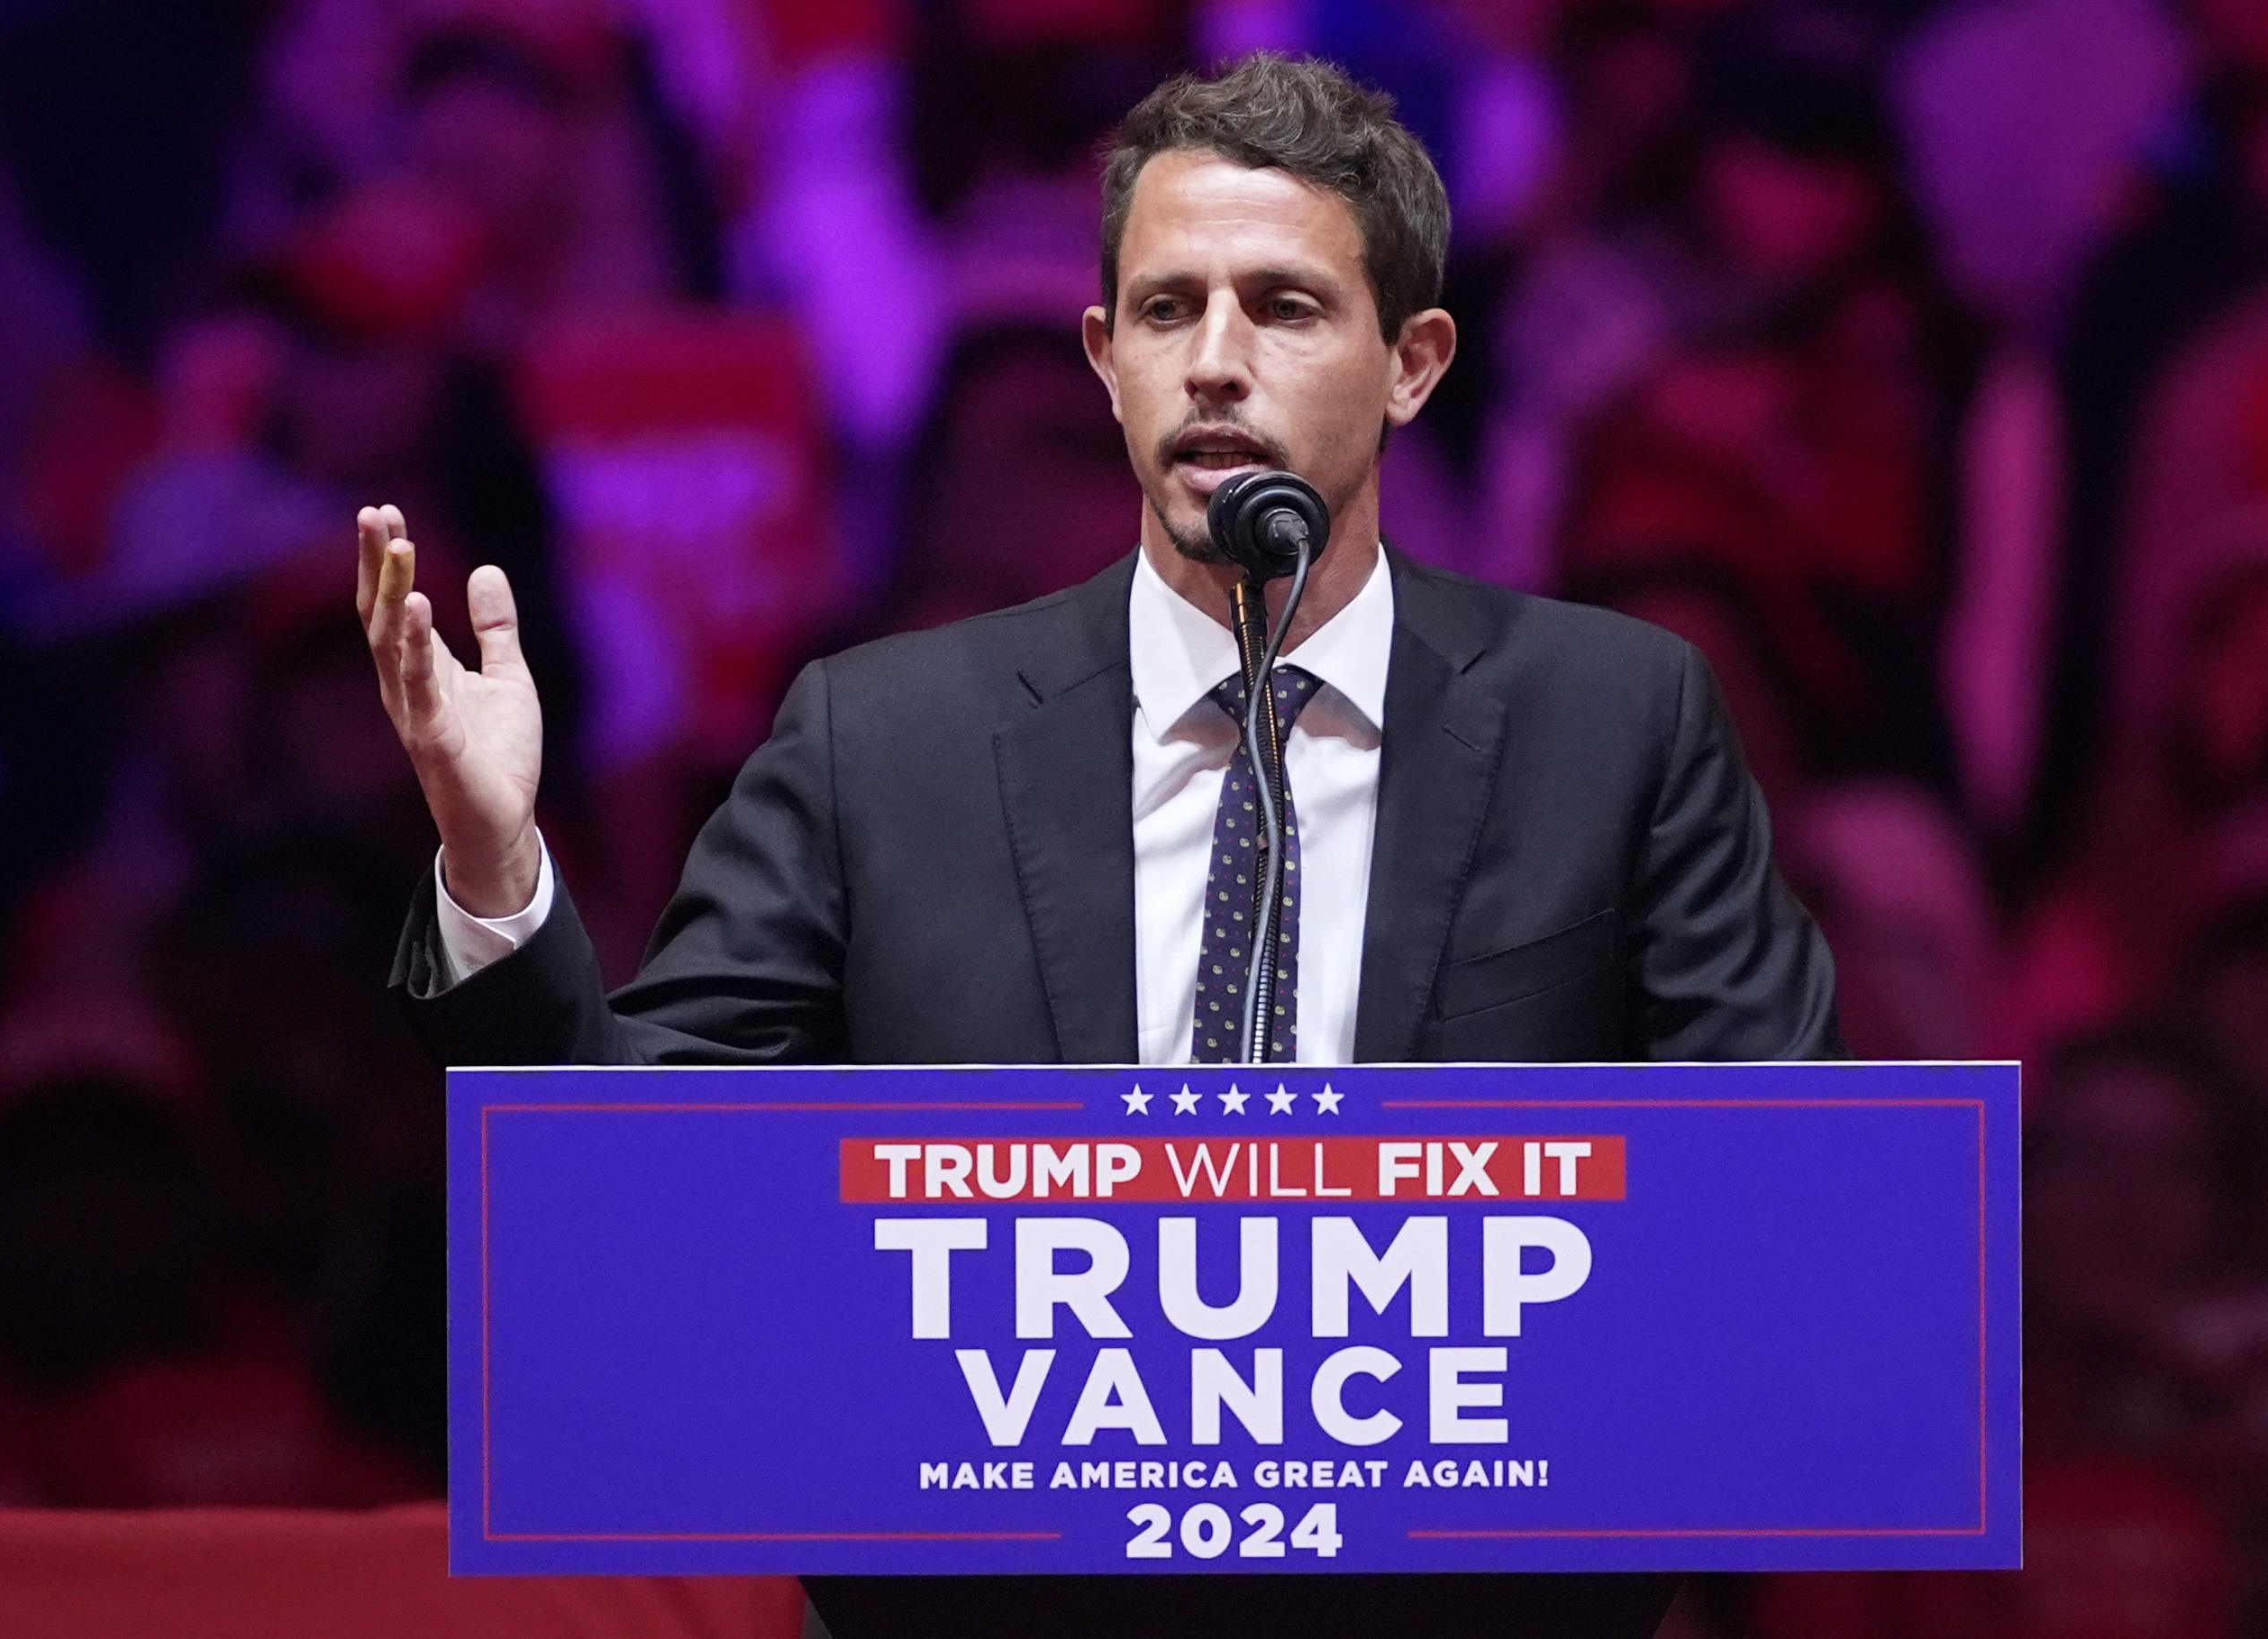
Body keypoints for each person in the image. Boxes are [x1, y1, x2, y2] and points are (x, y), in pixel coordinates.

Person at [358, 51, 1839, 1639]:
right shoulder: (884, 741)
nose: (1213, 365)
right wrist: (500, 871)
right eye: (1162, 310)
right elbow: (644, 1199)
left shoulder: (1610, 721)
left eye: (1281, 308)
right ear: (1102, 357)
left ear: (1412, 365)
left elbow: (1780, 1225)